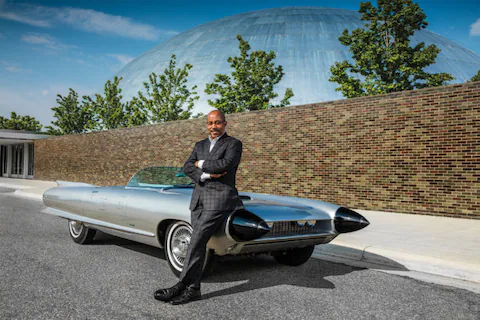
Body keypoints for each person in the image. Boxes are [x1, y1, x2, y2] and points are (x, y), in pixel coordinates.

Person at [154, 109, 244, 305]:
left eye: (218, 122)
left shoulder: (233, 144)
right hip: (198, 200)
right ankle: (193, 289)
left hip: (220, 199)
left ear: (225, 124)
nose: (214, 126)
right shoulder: (199, 144)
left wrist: (200, 163)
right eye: (210, 123)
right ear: (207, 125)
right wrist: (204, 175)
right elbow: (187, 166)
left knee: (195, 240)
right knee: (198, 243)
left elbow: (225, 164)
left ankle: (180, 285)